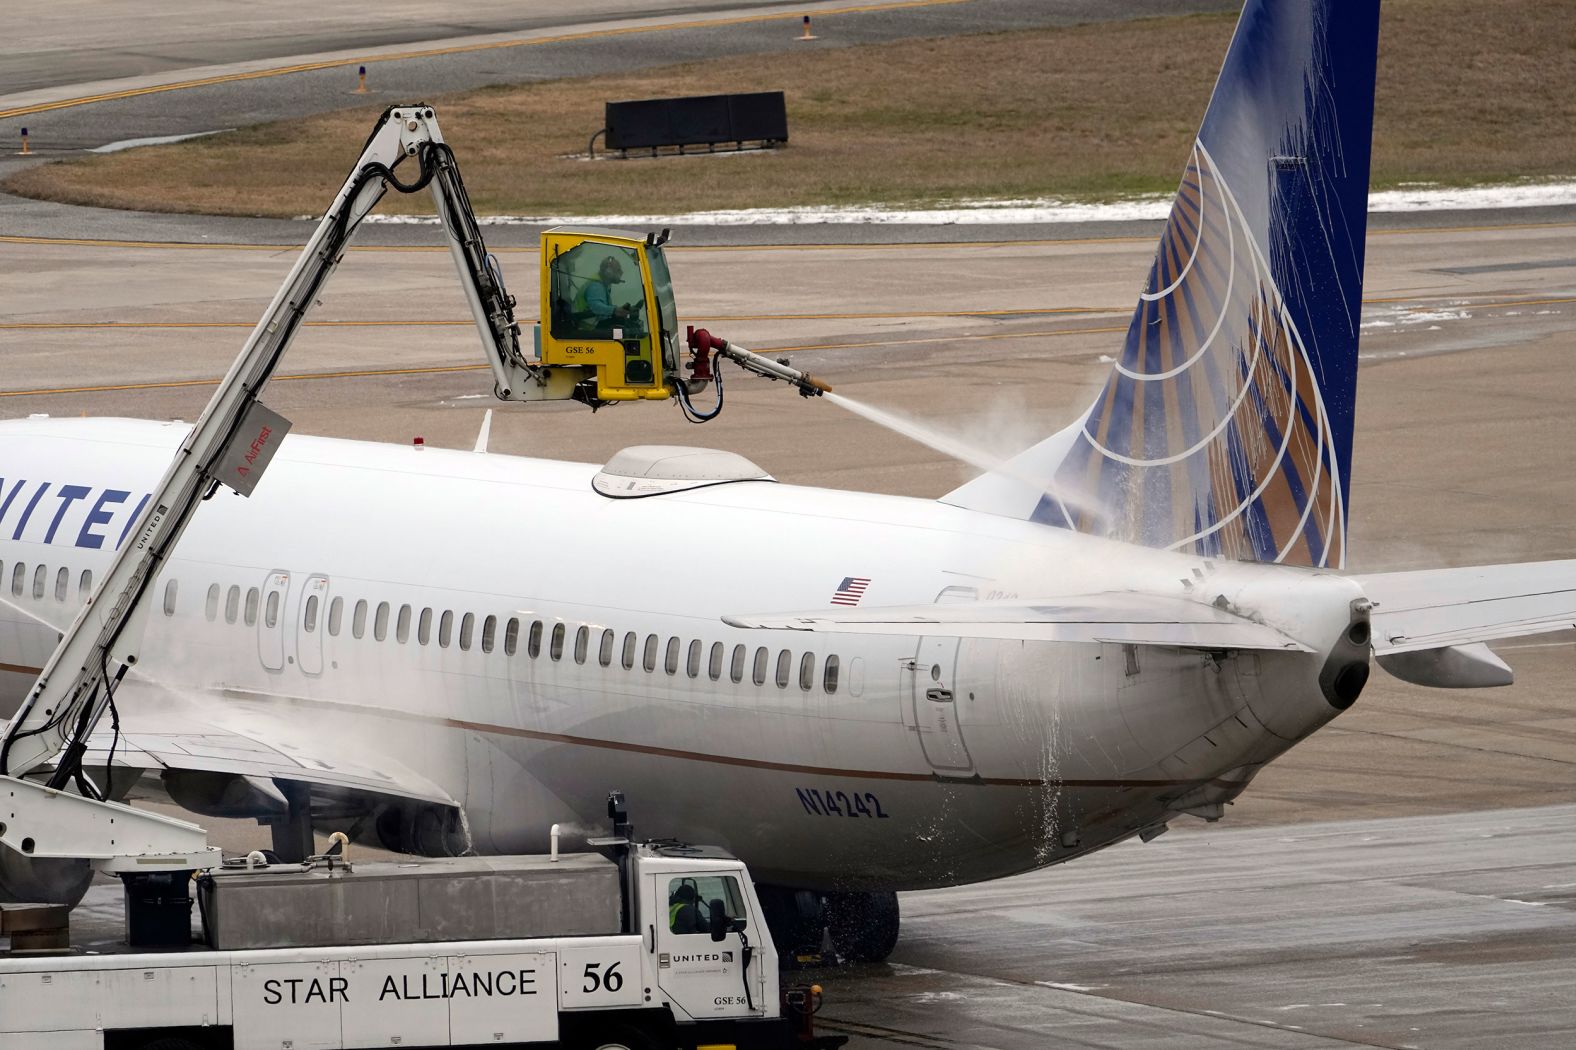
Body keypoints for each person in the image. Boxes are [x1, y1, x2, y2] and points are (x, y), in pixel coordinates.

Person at [576, 254, 641, 334]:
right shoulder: (596, 286)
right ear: (608, 272)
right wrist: (615, 310)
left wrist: (622, 310)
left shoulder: (602, 285)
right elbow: (596, 307)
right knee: (624, 331)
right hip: (587, 330)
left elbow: (603, 309)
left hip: (592, 327)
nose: (622, 272)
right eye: (618, 270)